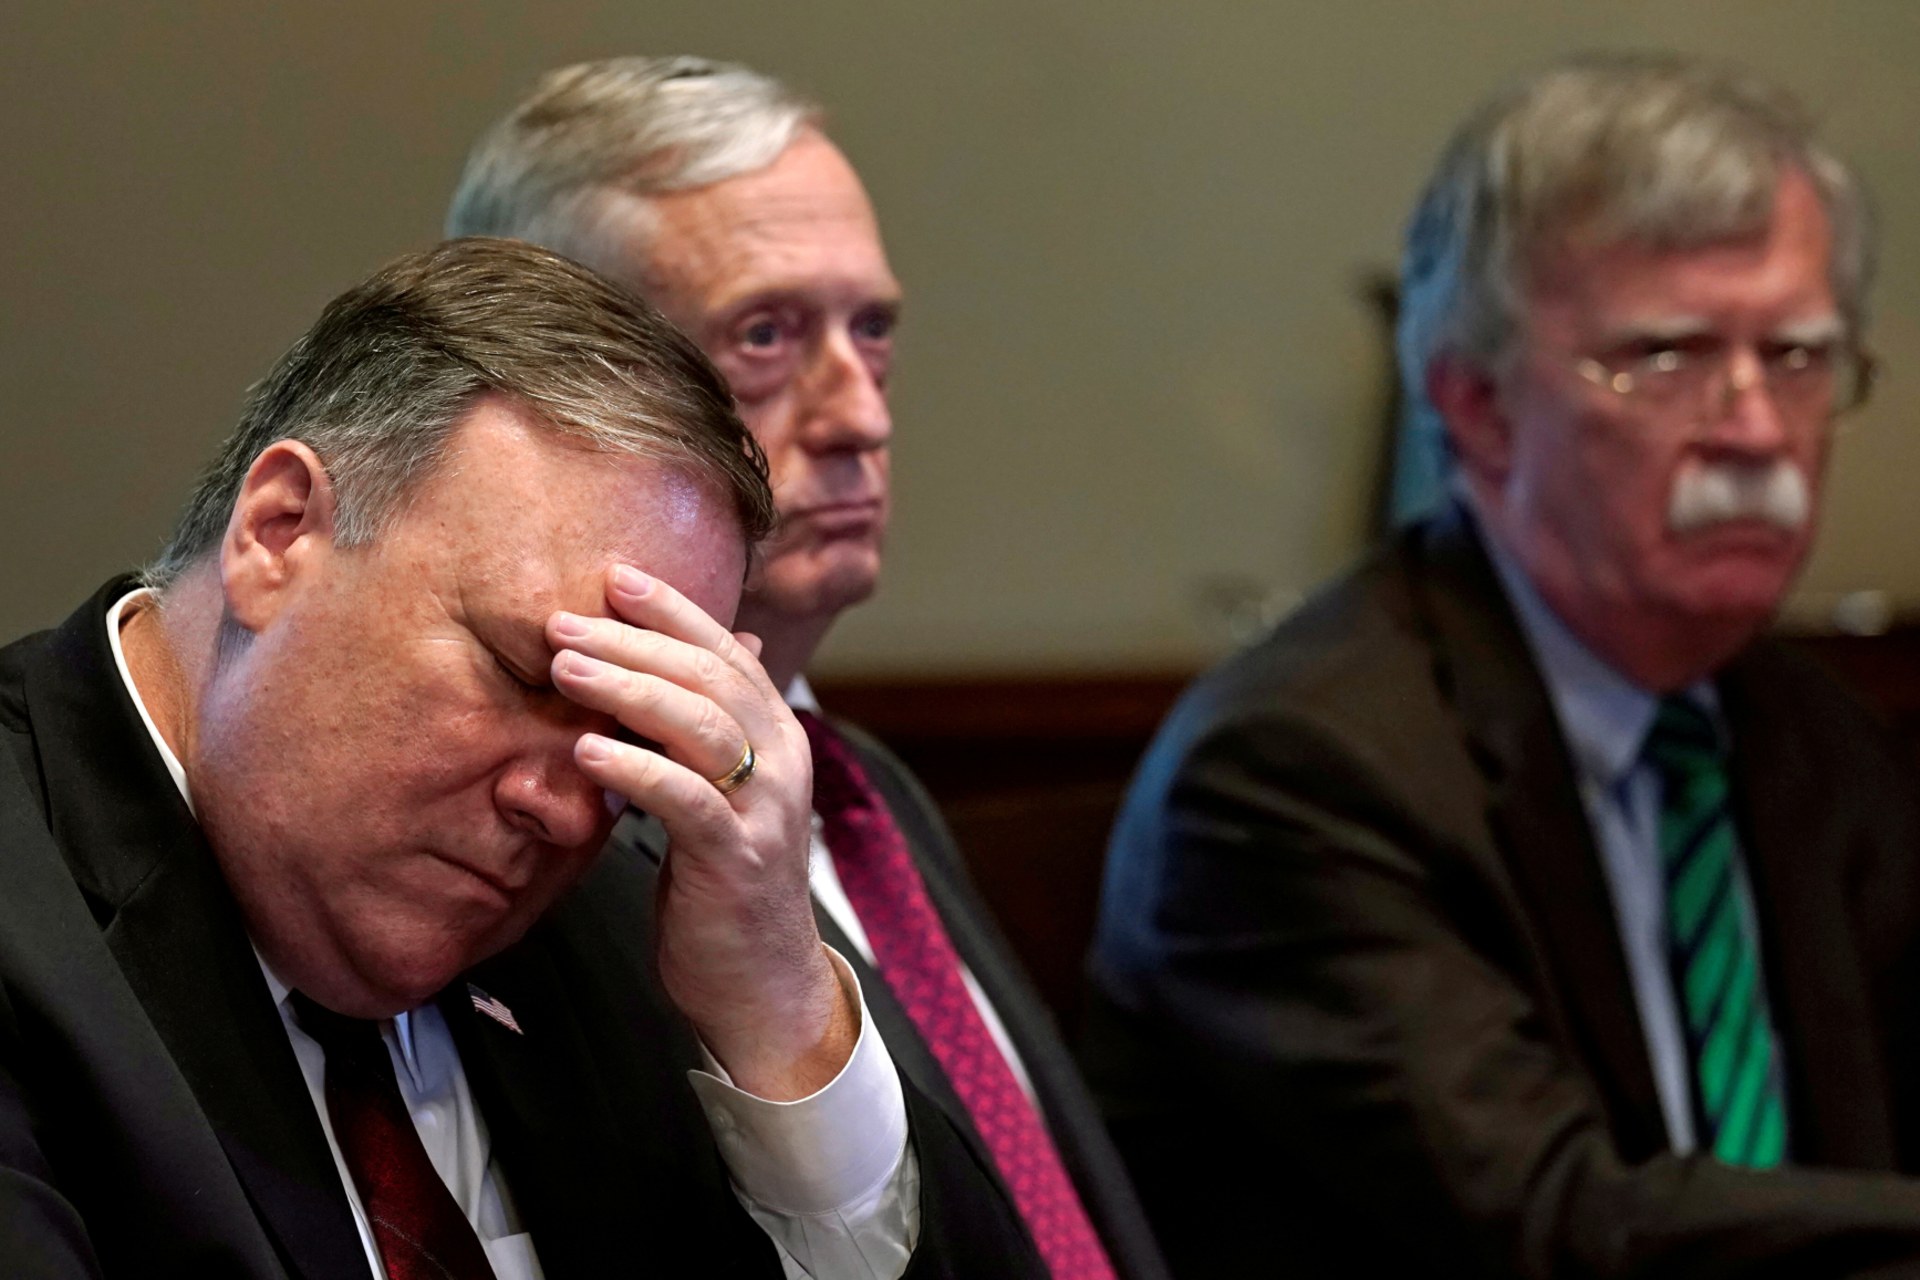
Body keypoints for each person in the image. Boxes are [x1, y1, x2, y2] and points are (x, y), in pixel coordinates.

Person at [0, 236, 1052, 1277]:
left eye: (627, 728)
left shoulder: (638, 921)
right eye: (518, 670)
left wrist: (778, 1006)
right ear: (278, 534)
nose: (562, 803)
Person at [1088, 53, 1920, 1276]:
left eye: (1796, 355)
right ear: (1475, 404)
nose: (1755, 428)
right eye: (1669, 356)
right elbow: (1557, 1225)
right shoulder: (1293, 771)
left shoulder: (1808, 730)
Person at [447, 57, 1166, 1280]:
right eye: (768, 334)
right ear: (551, 383)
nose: (860, 415)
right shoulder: (540, 830)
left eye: (872, 328)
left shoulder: (863, 781)